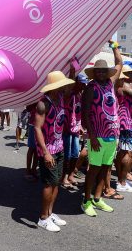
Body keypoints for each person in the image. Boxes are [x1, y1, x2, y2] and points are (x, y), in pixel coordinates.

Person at [81, 41, 122, 217]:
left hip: (113, 135)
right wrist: (92, 136)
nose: (100, 73)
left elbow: (119, 64)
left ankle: (98, 198)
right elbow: (85, 113)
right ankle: (86, 200)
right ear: (94, 73)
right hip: (97, 136)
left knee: (106, 168)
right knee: (94, 169)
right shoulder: (91, 88)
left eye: (103, 70)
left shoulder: (110, 83)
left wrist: (115, 47)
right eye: (98, 70)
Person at [34, 70, 74, 232]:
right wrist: (46, 153)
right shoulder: (44, 104)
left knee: (56, 182)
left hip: (59, 147)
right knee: (48, 183)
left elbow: (72, 88)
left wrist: (73, 68)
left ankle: (50, 213)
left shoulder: (61, 99)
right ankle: (43, 217)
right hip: (48, 150)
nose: (65, 87)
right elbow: (37, 128)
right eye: (62, 85)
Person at [62, 73, 87, 189]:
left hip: (76, 129)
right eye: (81, 83)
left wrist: (81, 126)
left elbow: (79, 113)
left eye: (84, 84)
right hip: (66, 128)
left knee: (75, 154)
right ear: (76, 83)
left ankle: (71, 175)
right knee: (66, 156)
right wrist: (72, 72)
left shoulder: (80, 95)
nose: (83, 86)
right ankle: (63, 177)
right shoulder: (69, 94)